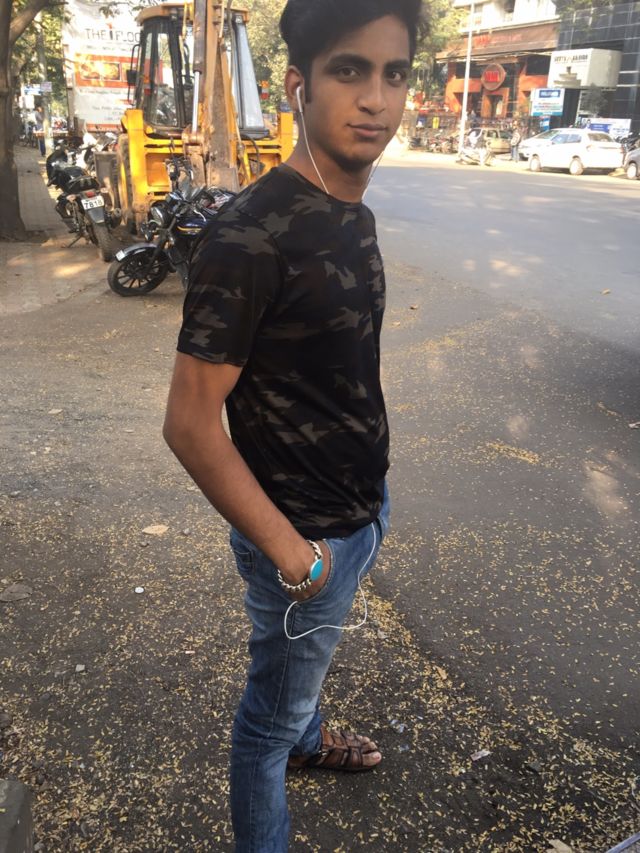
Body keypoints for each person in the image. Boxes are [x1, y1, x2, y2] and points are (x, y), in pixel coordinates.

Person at [163, 0, 421, 849]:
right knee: (263, 728)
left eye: (393, 74)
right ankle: (291, 742)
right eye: (350, 71)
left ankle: (307, 733)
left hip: (358, 509)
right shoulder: (249, 238)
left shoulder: (353, 212)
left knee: (296, 674)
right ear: (297, 85)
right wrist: (296, 557)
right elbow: (190, 423)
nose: (376, 99)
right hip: (303, 537)